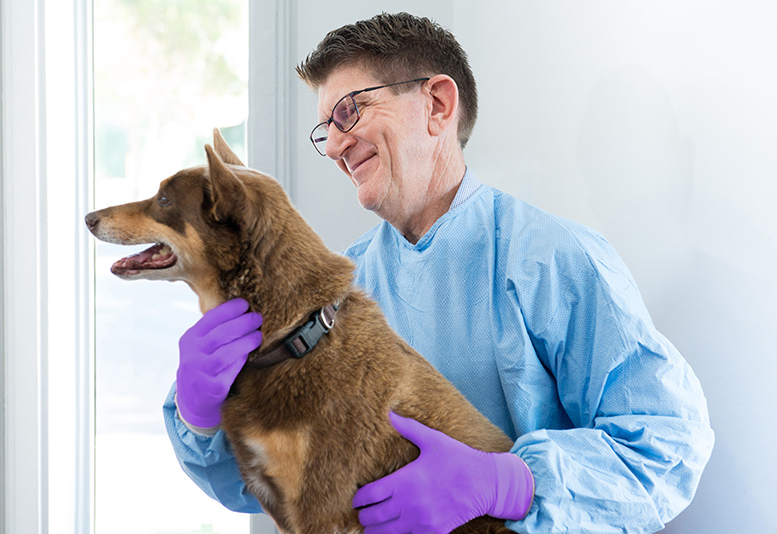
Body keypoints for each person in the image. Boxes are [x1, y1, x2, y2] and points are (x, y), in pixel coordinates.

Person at [163, 12, 714, 533]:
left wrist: (510, 483)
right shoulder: (336, 297)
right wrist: (200, 418)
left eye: (349, 112)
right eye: (324, 130)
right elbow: (266, 478)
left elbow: (669, 446)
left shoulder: (549, 260)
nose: (333, 145)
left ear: (437, 104)